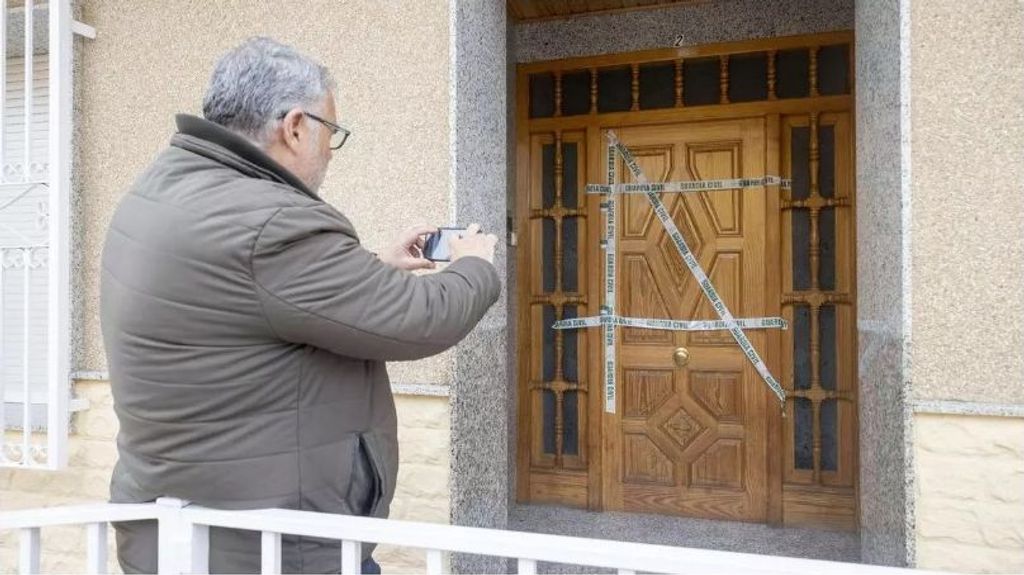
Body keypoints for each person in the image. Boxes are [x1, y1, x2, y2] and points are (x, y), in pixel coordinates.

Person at [100, 37, 500, 574]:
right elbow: (423, 318)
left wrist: (373, 266)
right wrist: (478, 263)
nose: (330, 152)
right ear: (294, 127)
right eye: (330, 132)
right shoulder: (274, 224)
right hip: (277, 547)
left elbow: (256, 299)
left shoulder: (161, 190)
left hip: (177, 535)